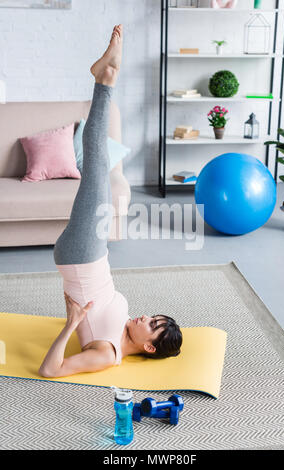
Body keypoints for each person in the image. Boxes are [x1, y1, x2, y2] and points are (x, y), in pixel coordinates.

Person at [39, 25, 182, 379]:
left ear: (149, 347)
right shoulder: (122, 327)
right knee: (97, 165)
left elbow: (49, 371)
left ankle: (105, 79)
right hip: (91, 252)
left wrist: (71, 324)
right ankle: (106, 76)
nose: (146, 318)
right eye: (154, 317)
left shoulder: (107, 353)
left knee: (97, 161)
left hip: (82, 255)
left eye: (152, 325)